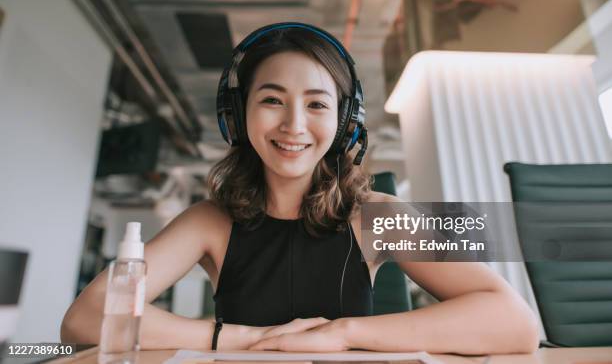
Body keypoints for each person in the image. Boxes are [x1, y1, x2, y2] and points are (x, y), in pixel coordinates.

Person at [61, 22, 539, 354]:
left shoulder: (376, 215)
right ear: (239, 114)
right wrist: (241, 338)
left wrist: (343, 333)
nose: (294, 124)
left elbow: (514, 323)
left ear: (343, 121)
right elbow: (84, 321)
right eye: (272, 99)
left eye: (316, 104)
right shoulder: (210, 221)